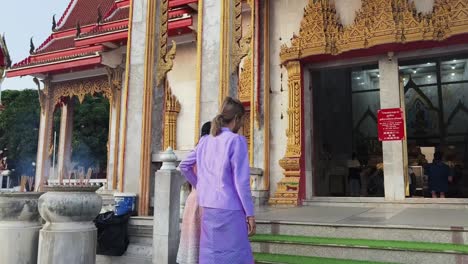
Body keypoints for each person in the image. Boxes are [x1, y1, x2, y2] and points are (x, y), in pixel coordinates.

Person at [179, 97, 255, 264]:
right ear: (237, 119)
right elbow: (241, 182)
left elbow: (184, 165)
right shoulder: (236, 141)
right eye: (242, 120)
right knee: (235, 256)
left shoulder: (205, 141)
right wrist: (250, 214)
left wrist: (200, 185)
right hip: (231, 210)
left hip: (208, 207)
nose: (241, 125)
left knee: (211, 256)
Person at [176, 121, 211, 264]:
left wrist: (196, 184)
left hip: (194, 197)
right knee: (199, 237)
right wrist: (199, 184)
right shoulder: (207, 149)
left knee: (191, 238)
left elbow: (184, 166)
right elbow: (183, 166)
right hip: (203, 198)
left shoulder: (198, 148)